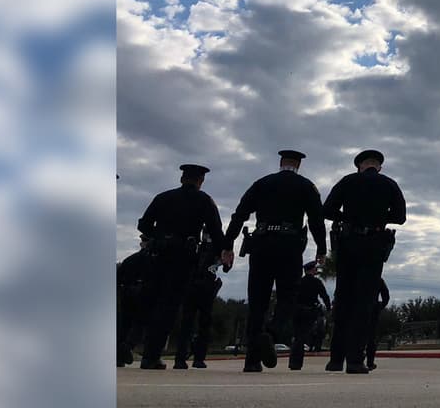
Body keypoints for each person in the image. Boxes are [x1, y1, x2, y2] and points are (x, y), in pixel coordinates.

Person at [224, 149, 327, 373]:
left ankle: (251, 360)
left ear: (281, 162)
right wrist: (321, 247)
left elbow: (239, 214)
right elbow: (316, 219)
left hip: (261, 244)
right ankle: (269, 334)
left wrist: (227, 243)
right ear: (298, 165)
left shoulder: (261, 183)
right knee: (288, 298)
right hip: (289, 246)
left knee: (258, 301)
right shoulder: (306, 186)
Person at [135, 163, 232, 369]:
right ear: (201, 181)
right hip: (183, 256)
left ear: (181, 179)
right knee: (169, 305)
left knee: (151, 300)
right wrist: (226, 250)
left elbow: (143, 225)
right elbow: (215, 230)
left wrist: (158, 237)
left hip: (159, 253)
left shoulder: (162, 197)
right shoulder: (204, 200)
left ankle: (133, 345)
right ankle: (152, 355)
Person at [322, 149, 406, 374]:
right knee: (364, 302)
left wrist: (348, 217)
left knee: (343, 299)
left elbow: (327, 210)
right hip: (373, 245)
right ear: (379, 166)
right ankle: (356, 360)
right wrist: (379, 217)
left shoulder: (348, 181)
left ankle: (336, 359)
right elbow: (400, 217)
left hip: (348, 243)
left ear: (359, 166)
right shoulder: (389, 184)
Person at [173, 237, 224, 369]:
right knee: (192, 324)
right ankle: (187, 358)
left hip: (201, 288)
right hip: (196, 287)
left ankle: (191, 358)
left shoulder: (215, 250)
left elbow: (226, 266)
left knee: (196, 324)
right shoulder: (196, 247)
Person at [289, 260, 331, 370]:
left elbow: (292, 297)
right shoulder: (316, 282)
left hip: (297, 311)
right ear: (312, 270)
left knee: (297, 336)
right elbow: (324, 296)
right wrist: (329, 308)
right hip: (309, 312)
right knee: (302, 337)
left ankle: (293, 361)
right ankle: (297, 362)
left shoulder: (299, 282)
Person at [116, 239, 152, 367]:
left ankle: (118, 355)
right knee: (140, 323)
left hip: (126, 291)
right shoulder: (152, 260)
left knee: (124, 324)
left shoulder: (130, 259)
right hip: (142, 292)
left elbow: (118, 277)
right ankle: (127, 346)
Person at [363, 276, 391, 370]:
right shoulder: (378, 279)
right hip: (372, 309)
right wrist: (380, 306)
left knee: (359, 335)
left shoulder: (358, 276)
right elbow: (386, 296)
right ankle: (370, 363)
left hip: (359, 309)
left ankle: (357, 359)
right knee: (371, 337)